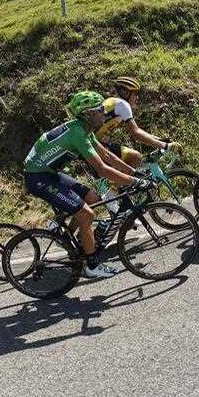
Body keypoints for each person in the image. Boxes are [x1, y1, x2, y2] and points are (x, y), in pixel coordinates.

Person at [23, 90, 144, 278]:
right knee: (86, 214)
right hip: (37, 177)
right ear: (88, 114)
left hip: (48, 172)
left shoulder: (83, 128)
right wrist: (135, 181)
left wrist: (134, 172)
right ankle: (92, 265)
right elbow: (102, 169)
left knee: (93, 198)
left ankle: (65, 234)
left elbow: (107, 155)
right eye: (100, 110)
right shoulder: (77, 134)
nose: (104, 113)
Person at [95, 76, 183, 167]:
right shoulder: (123, 105)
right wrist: (165, 146)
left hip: (95, 142)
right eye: (135, 93)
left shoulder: (114, 103)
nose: (137, 98)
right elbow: (136, 133)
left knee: (127, 162)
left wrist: (159, 140)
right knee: (135, 157)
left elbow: (137, 130)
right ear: (126, 93)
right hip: (95, 143)